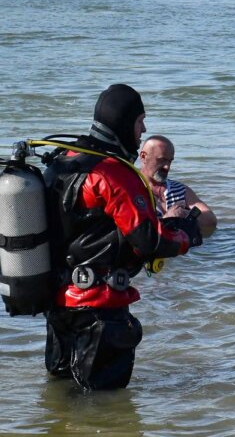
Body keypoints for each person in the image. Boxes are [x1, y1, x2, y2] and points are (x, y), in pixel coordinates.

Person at [42, 84, 204, 391]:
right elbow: (149, 242)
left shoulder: (62, 161)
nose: (143, 130)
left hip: (59, 305)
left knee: (63, 396)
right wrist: (185, 234)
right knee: (104, 405)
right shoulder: (113, 173)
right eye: (140, 121)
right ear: (123, 122)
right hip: (100, 309)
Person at [139, 135, 218, 237]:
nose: (167, 167)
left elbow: (210, 221)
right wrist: (168, 220)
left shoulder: (180, 189)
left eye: (170, 161)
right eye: (162, 160)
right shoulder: (132, 189)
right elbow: (138, 234)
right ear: (143, 156)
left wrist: (185, 215)